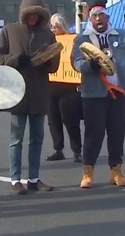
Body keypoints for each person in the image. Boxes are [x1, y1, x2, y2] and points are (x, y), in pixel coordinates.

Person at [71, 0, 125, 188]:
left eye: (102, 15)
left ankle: (116, 171)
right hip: (94, 93)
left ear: (107, 17)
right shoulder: (83, 38)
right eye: (95, 16)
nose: (98, 19)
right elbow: (76, 62)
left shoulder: (119, 34)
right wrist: (90, 66)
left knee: (117, 132)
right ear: (90, 18)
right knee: (93, 133)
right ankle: (88, 172)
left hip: (119, 92)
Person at [0, 0, 60, 195]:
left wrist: (47, 61)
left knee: (37, 138)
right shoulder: (9, 31)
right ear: (23, 14)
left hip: (39, 92)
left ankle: (34, 178)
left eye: (37, 15)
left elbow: (54, 64)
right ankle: (15, 179)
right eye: (30, 15)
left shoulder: (48, 35)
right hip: (16, 92)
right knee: (16, 138)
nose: (33, 18)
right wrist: (14, 59)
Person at [46, 13, 83, 163]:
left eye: (57, 26)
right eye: (52, 26)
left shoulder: (73, 40)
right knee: (53, 119)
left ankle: (77, 150)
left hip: (68, 86)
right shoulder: (47, 41)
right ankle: (58, 149)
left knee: (70, 119)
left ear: (63, 26)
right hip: (50, 84)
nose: (54, 29)